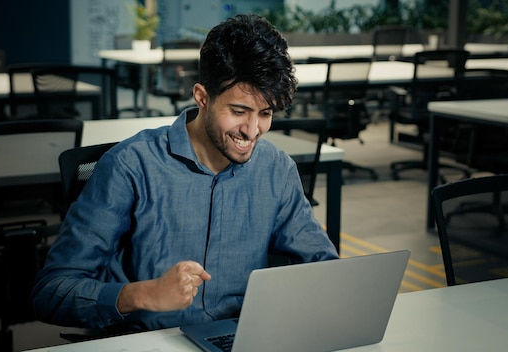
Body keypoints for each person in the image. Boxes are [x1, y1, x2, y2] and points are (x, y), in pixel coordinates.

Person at [31, 13, 339, 333]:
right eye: (238, 112)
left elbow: (325, 270)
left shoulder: (276, 170)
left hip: (242, 336)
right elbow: (51, 291)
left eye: (265, 114)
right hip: (150, 341)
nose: (252, 130)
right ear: (202, 97)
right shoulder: (130, 166)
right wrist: (143, 294)